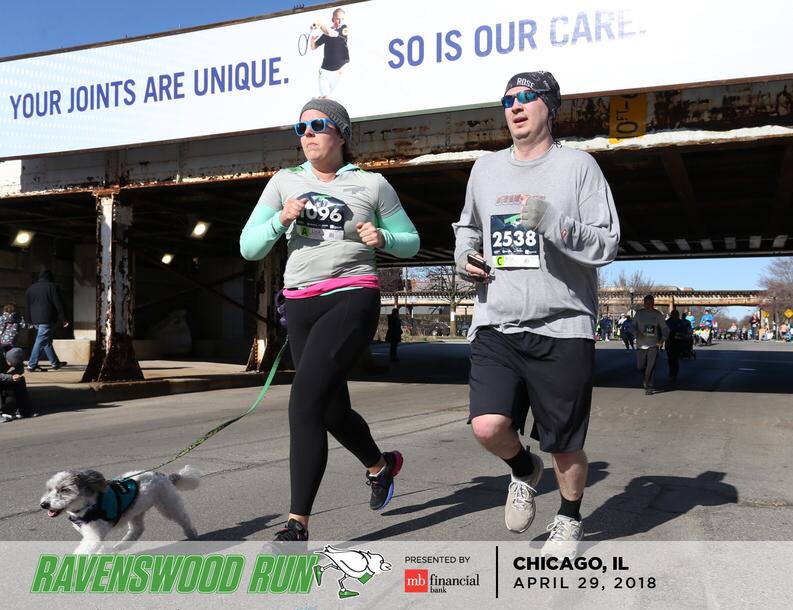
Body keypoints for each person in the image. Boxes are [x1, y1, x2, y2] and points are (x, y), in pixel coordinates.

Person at [453, 70, 619, 555]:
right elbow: (467, 228)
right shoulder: (485, 168)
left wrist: (552, 221)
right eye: (508, 99)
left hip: (563, 325)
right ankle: (524, 470)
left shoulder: (578, 168)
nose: (515, 106)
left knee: (564, 443)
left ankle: (569, 516)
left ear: (549, 106)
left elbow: (607, 243)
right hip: (496, 321)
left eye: (526, 97)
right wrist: (465, 260)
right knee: (488, 425)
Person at [240, 97, 420, 542]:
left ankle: (296, 523)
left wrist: (384, 237)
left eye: (317, 125)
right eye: (300, 128)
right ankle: (381, 466)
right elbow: (249, 247)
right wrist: (281, 219)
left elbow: (412, 241)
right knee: (331, 408)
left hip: (352, 295)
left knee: (304, 401)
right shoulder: (283, 183)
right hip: (301, 302)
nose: (307, 134)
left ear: (340, 133)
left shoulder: (372, 185)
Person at [25, 269, 68, 372]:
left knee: (46, 341)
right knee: (41, 341)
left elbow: (28, 306)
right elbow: (59, 304)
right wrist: (63, 318)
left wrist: (29, 319)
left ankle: (55, 363)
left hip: (35, 320)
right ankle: (31, 364)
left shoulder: (30, 288)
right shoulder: (53, 286)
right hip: (47, 319)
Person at [310, 8, 349, 98]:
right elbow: (313, 46)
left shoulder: (344, 29)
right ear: (333, 19)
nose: (340, 21)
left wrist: (319, 24)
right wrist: (312, 39)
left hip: (339, 70)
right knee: (326, 98)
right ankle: (319, 100)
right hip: (325, 71)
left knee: (329, 99)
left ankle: (318, 100)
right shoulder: (325, 34)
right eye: (337, 18)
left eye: (342, 19)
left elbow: (330, 33)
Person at [634, 295, 666, 394]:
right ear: (644, 303)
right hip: (641, 345)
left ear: (653, 303)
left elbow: (665, 329)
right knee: (640, 366)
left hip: (653, 345)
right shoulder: (639, 314)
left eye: (650, 303)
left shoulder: (657, 314)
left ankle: (649, 386)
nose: (648, 305)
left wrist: (662, 340)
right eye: (646, 303)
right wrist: (636, 333)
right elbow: (631, 327)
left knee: (651, 367)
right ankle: (645, 380)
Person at [0, 347, 32, 421]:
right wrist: (10, 377)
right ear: (7, 359)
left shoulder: (16, 354)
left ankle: (23, 411)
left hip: (3, 376)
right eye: (10, 364)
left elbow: (20, 369)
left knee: (20, 380)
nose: (11, 366)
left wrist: (14, 376)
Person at [665, 309, 692, 380]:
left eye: (676, 315)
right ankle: (671, 372)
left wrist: (684, 336)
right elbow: (664, 331)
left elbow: (685, 331)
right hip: (669, 341)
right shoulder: (668, 322)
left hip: (678, 342)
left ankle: (674, 373)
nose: (674, 316)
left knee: (675, 358)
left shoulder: (681, 322)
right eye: (673, 314)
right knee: (670, 358)